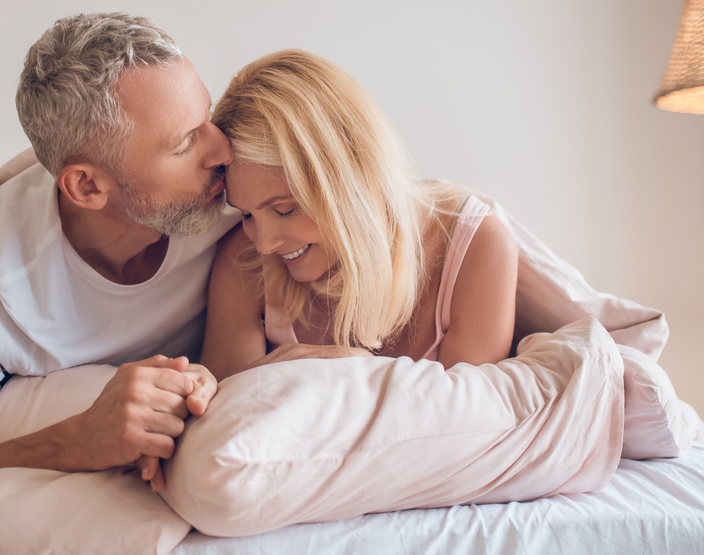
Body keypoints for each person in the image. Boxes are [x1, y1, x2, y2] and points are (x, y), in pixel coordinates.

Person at [0, 13, 237, 491]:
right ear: (86, 186)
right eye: (186, 142)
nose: (224, 150)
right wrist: (76, 442)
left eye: (206, 116)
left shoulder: (239, 197)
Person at [201, 49, 518, 380]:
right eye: (247, 215)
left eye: (285, 209)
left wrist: (359, 371)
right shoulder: (244, 260)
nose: (264, 244)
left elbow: (468, 426)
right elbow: (225, 422)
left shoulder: (474, 247)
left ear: (353, 177)